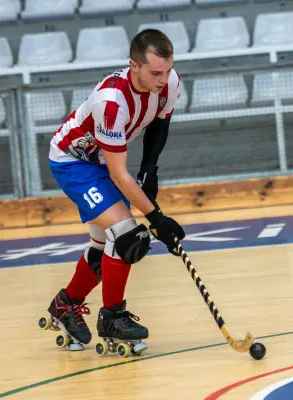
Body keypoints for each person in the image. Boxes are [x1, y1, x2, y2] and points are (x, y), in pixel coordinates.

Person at [42, 29, 185, 352]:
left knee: (102, 243)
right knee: (127, 235)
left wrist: (150, 168)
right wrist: (157, 218)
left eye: (167, 70)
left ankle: (66, 304)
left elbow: (161, 122)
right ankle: (113, 317)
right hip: (73, 161)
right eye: (155, 72)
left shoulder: (169, 83)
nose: (164, 79)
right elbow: (120, 175)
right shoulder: (111, 102)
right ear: (133, 65)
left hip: (101, 162)